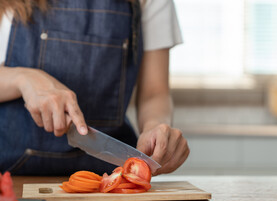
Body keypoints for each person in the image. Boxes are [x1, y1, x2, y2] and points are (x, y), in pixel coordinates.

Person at [0, 0, 189, 176]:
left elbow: (154, 93)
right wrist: (23, 78)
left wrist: (155, 127)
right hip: (9, 176)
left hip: (110, 179)